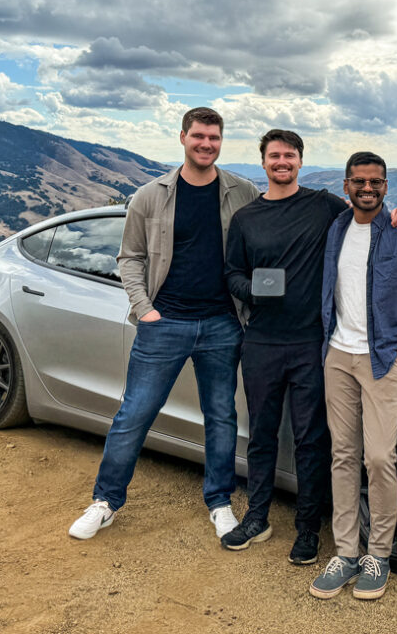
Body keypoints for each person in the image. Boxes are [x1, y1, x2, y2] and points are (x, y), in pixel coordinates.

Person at [220, 131, 397, 565]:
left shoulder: (324, 206)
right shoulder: (246, 218)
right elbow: (231, 274)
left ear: (300, 161)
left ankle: (307, 528)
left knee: (312, 440)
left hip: (313, 343)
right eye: (274, 156)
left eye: (289, 155)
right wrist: (253, 290)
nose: (282, 162)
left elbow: (370, 213)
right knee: (262, 436)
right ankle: (257, 517)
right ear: (264, 162)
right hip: (262, 343)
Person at [68, 107, 259, 542]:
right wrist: (145, 308)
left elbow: (276, 222)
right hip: (164, 322)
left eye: (213, 137)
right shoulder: (150, 195)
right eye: (198, 136)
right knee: (134, 413)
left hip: (221, 325)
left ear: (221, 141)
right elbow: (129, 258)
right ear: (182, 138)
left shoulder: (241, 191)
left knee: (221, 417)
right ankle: (105, 502)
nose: (206, 144)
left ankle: (220, 502)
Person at [309, 151, 397, 601]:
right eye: (359, 181)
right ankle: (345, 552)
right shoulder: (337, 228)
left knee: (380, 458)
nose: (367, 188)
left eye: (376, 182)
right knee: (343, 455)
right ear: (346, 185)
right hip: (337, 357)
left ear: (387, 185)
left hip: (383, 360)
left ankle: (377, 555)